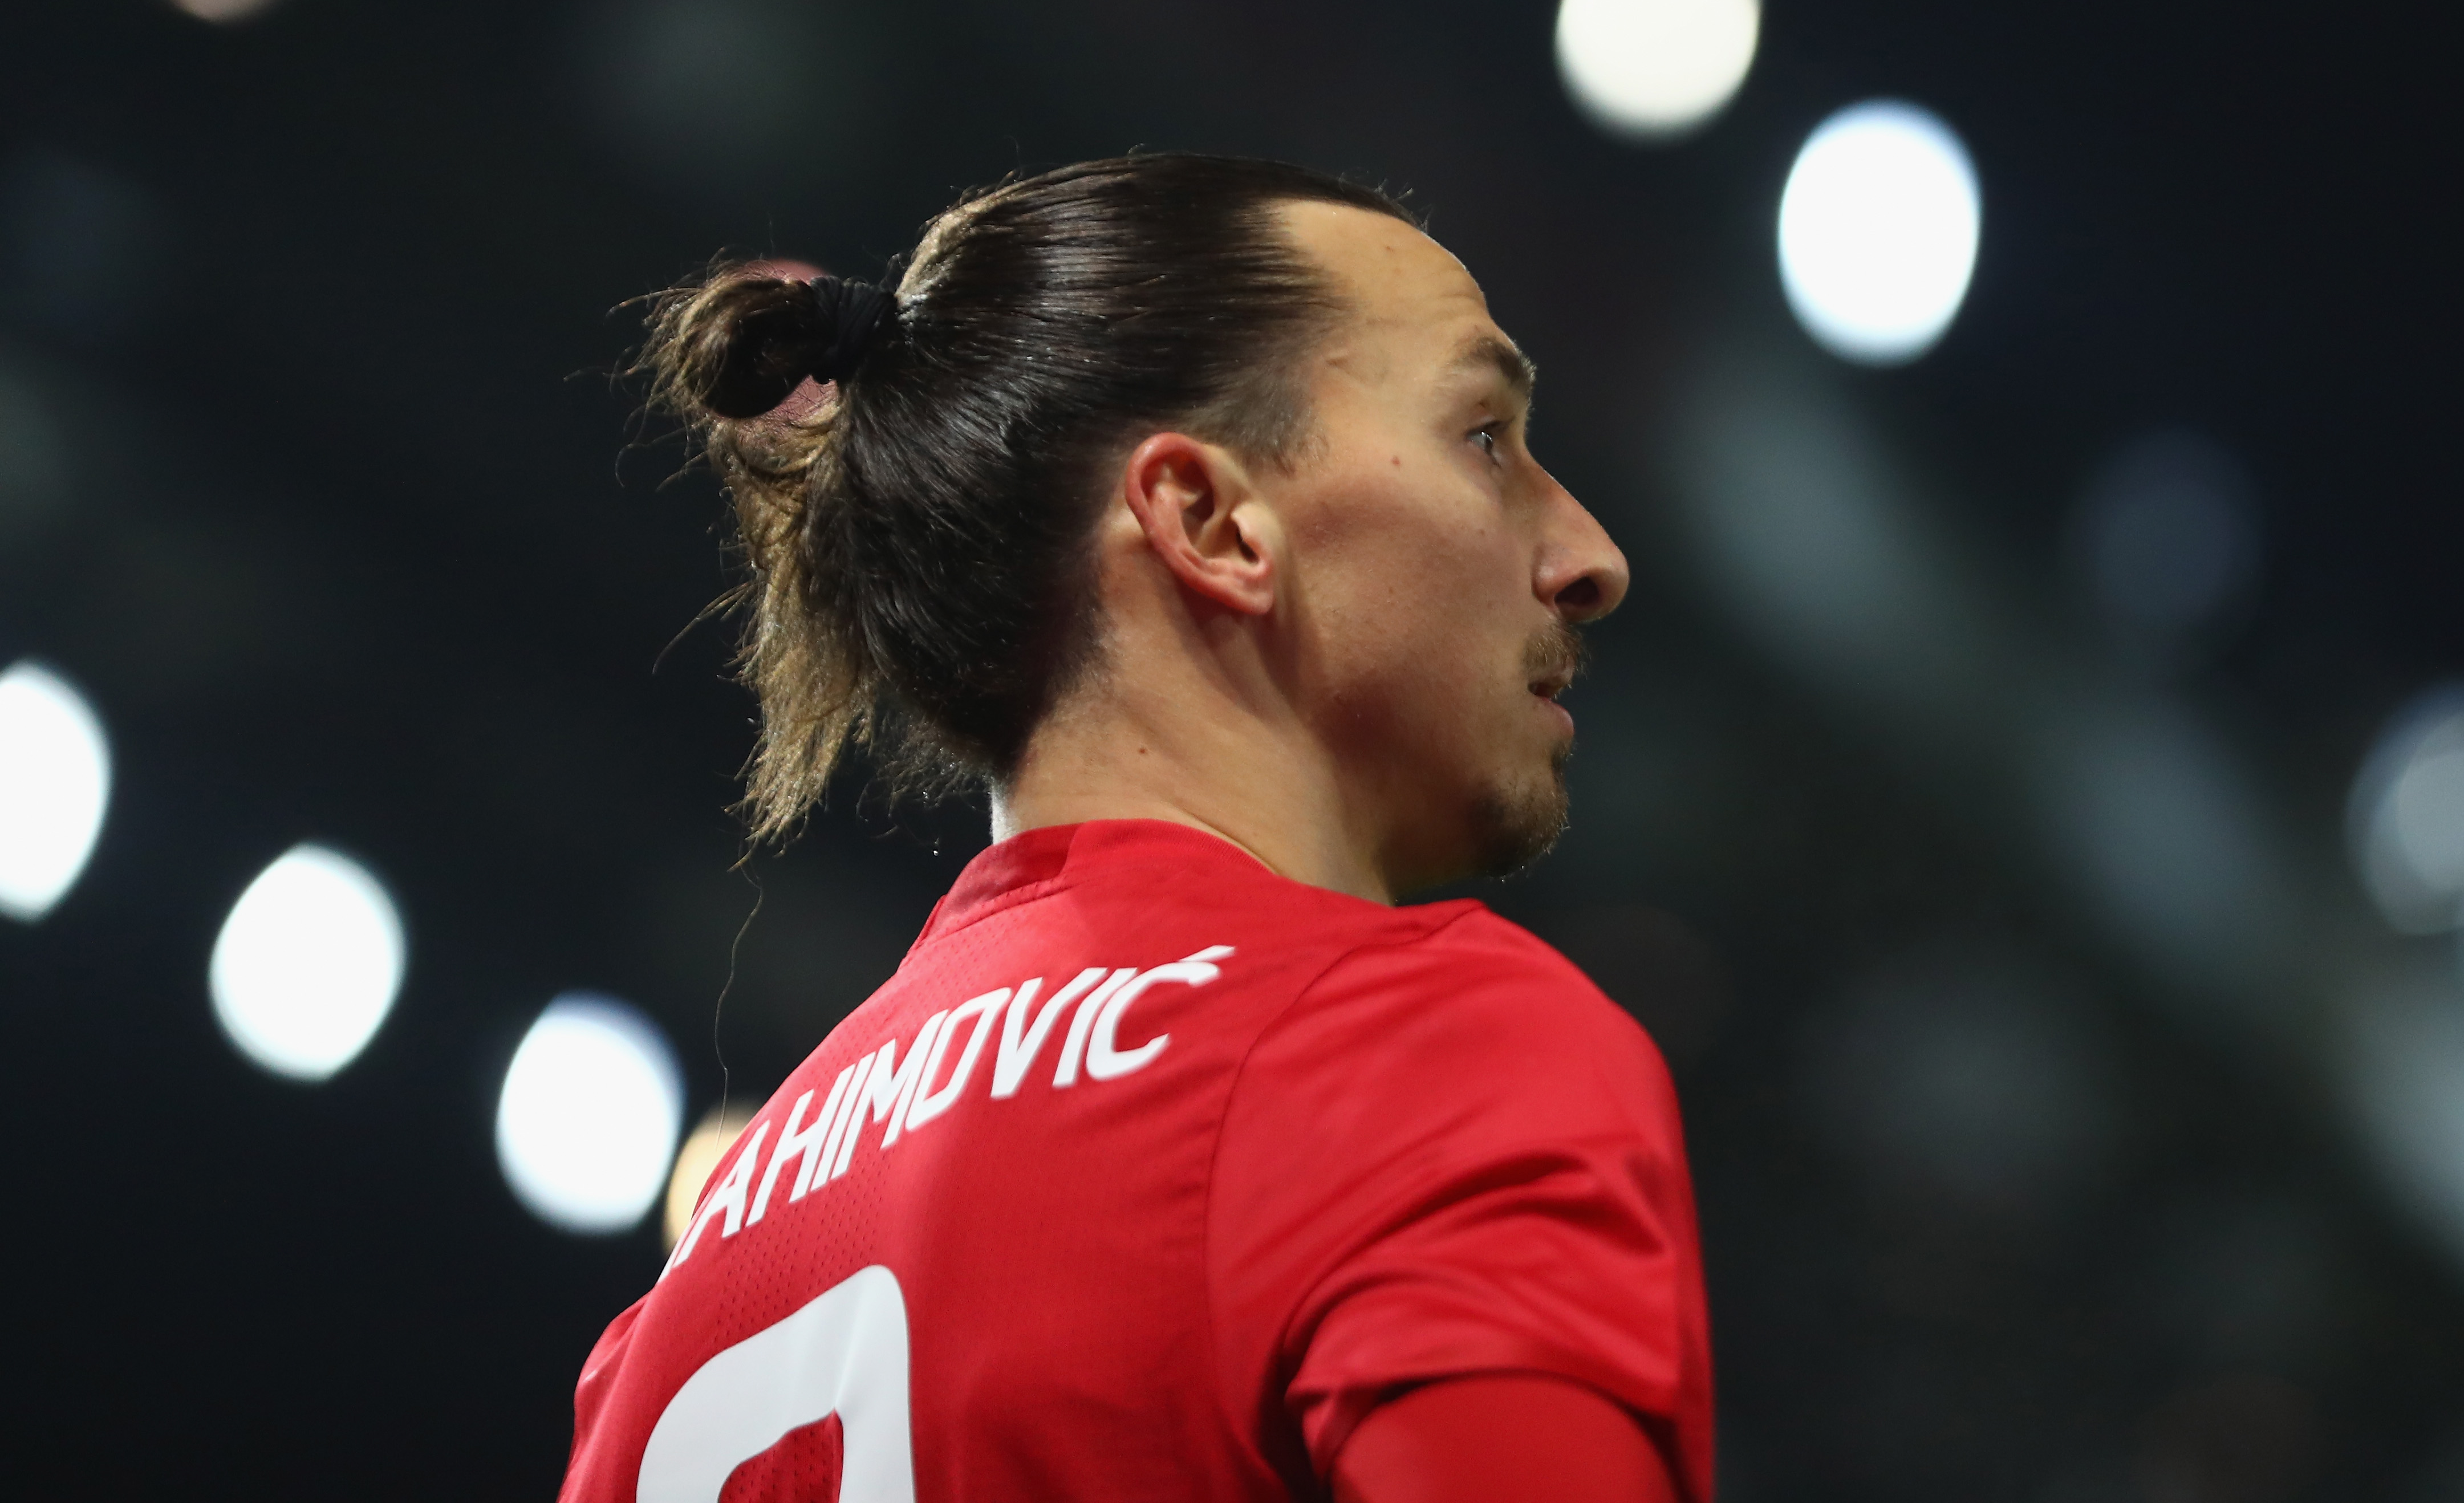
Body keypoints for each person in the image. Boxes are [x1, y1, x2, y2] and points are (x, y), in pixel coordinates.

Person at [557, 155, 1710, 1503]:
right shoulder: (1414, 1054)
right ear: (1211, 521)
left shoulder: (675, 1317)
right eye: (1482, 437)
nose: (1589, 555)